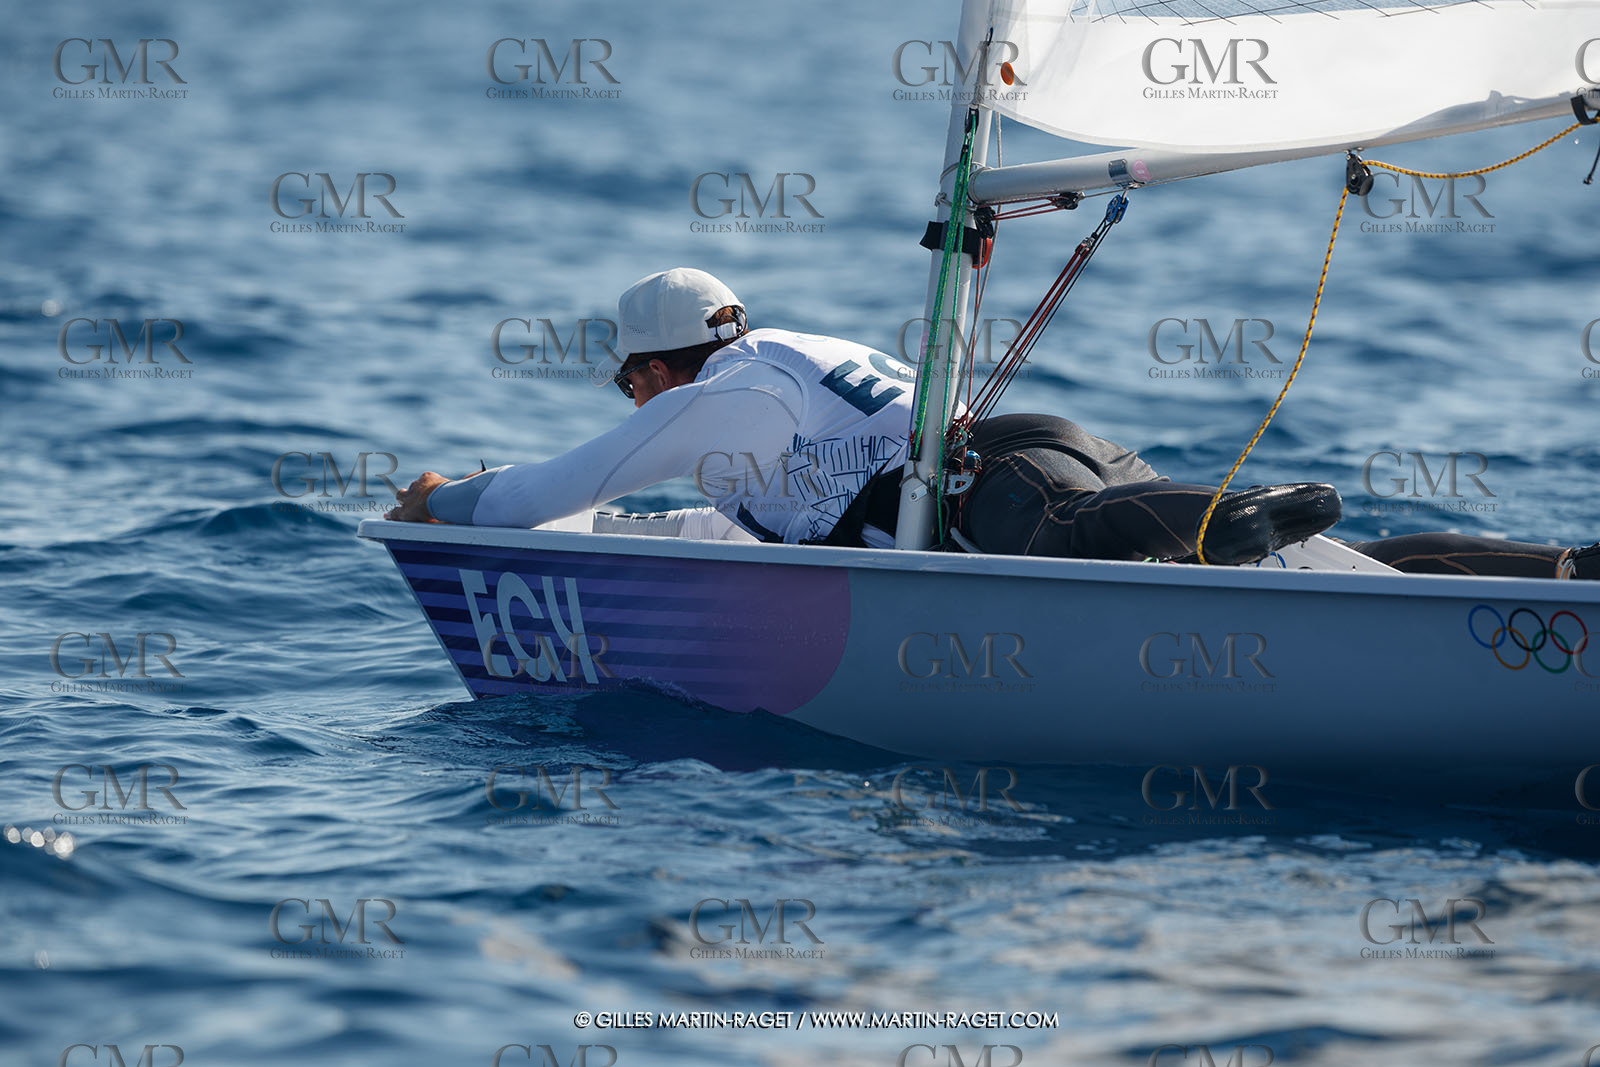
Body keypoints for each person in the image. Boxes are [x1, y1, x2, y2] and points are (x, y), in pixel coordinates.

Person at [387, 267, 1600, 580]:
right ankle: (1559, 570)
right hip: (1033, 445)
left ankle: (1239, 516)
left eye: (627, 382)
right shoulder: (798, 358)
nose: (632, 405)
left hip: (1005, 504)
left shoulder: (721, 397)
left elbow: (543, 493)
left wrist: (443, 499)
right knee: (1350, 575)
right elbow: (722, 509)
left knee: (1149, 541)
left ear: (656, 365)